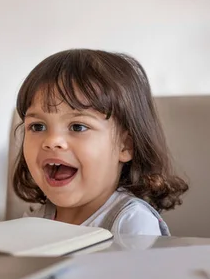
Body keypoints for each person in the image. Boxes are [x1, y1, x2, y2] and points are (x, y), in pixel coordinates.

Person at [12, 49, 188, 236]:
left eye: (78, 127)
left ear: (126, 146)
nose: (52, 141)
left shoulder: (132, 224)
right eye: (38, 127)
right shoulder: (35, 223)